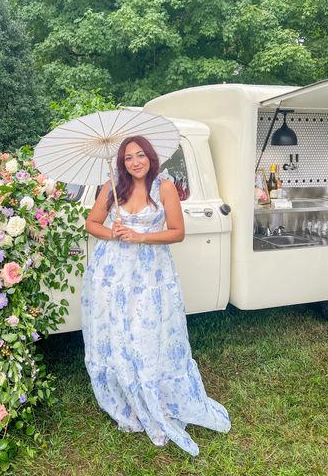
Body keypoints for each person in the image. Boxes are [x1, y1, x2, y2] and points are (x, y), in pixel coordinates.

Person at [81, 135, 231, 456]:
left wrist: (139, 235)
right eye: (128, 158)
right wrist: (114, 232)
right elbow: (91, 223)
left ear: (150, 156)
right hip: (114, 272)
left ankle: (156, 389)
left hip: (150, 273)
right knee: (119, 332)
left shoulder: (164, 187)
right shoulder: (111, 187)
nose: (135, 162)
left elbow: (177, 232)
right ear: (121, 163)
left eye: (140, 155)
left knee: (147, 332)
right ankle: (127, 391)